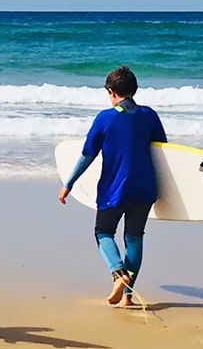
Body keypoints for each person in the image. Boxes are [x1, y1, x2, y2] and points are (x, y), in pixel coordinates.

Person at [59, 66, 166, 308]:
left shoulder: (104, 118)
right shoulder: (149, 116)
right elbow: (163, 153)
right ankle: (127, 296)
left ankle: (118, 274)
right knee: (134, 237)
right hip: (145, 188)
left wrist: (69, 183)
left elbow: (87, 155)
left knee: (103, 232)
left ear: (111, 91)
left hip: (114, 189)